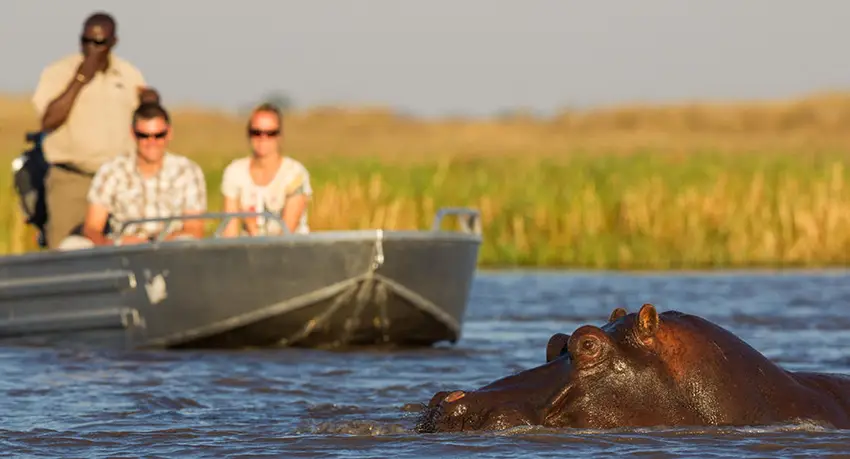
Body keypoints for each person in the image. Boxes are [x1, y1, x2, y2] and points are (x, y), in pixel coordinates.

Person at [31, 11, 160, 249]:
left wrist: (151, 102)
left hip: (119, 181)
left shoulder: (128, 75)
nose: (91, 48)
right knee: (65, 252)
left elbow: (147, 123)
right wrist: (80, 79)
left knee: (124, 249)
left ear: (113, 43)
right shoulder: (59, 72)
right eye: (86, 41)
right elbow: (49, 121)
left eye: (99, 43)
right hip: (73, 179)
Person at [57, 102, 207, 249]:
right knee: (71, 246)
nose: (151, 142)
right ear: (132, 134)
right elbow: (93, 227)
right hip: (121, 250)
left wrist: (152, 244)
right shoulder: (112, 171)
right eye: (143, 135)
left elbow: (194, 229)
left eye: (159, 135)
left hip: (170, 251)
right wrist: (114, 244)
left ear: (169, 133)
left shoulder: (187, 171)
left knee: (186, 241)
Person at [219, 103, 313, 237]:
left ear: (279, 136)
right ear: (248, 135)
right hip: (246, 251)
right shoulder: (235, 172)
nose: (263, 138)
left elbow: (287, 233)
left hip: (290, 252)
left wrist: (254, 231)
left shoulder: (295, 173)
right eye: (256, 133)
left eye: (270, 133)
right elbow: (229, 232)